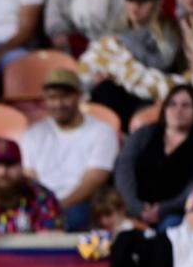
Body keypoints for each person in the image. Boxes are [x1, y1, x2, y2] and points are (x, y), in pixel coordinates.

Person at [19, 68, 119, 231]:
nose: (58, 104)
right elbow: (29, 177)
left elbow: (94, 180)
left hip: (80, 202)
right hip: (41, 204)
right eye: (52, 97)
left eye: (65, 96)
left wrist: (58, 206)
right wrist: (44, 208)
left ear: (79, 96)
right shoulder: (33, 134)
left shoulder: (102, 131)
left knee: (73, 217)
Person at [116, 85, 193, 227]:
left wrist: (165, 209)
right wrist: (136, 206)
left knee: (171, 229)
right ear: (164, 109)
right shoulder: (144, 134)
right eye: (172, 104)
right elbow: (124, 170)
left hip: (181, 214)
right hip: (135, 211)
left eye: (186, 105)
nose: (178, 110)